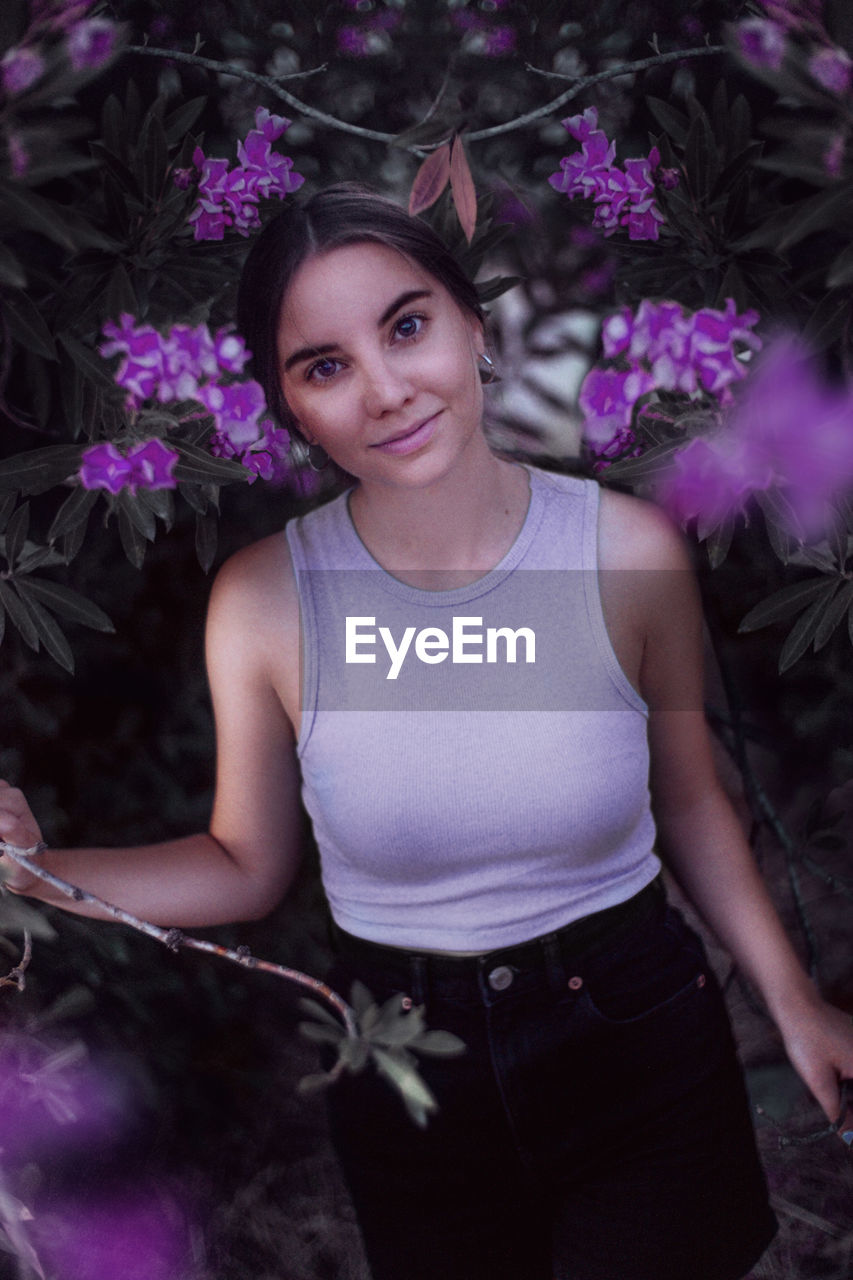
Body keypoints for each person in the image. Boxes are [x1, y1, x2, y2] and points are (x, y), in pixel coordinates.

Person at [1, 184, 852, 1280]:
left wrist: (795, 1005)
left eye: (406, 326)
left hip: (635, 1038)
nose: (386, 388)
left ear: (475, 328)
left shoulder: (625, 552)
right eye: (324, 364)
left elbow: (688, 797)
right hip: (408, 1072)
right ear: (290, 408)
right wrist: (35, 870)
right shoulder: (265, 602)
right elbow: (242, 864)